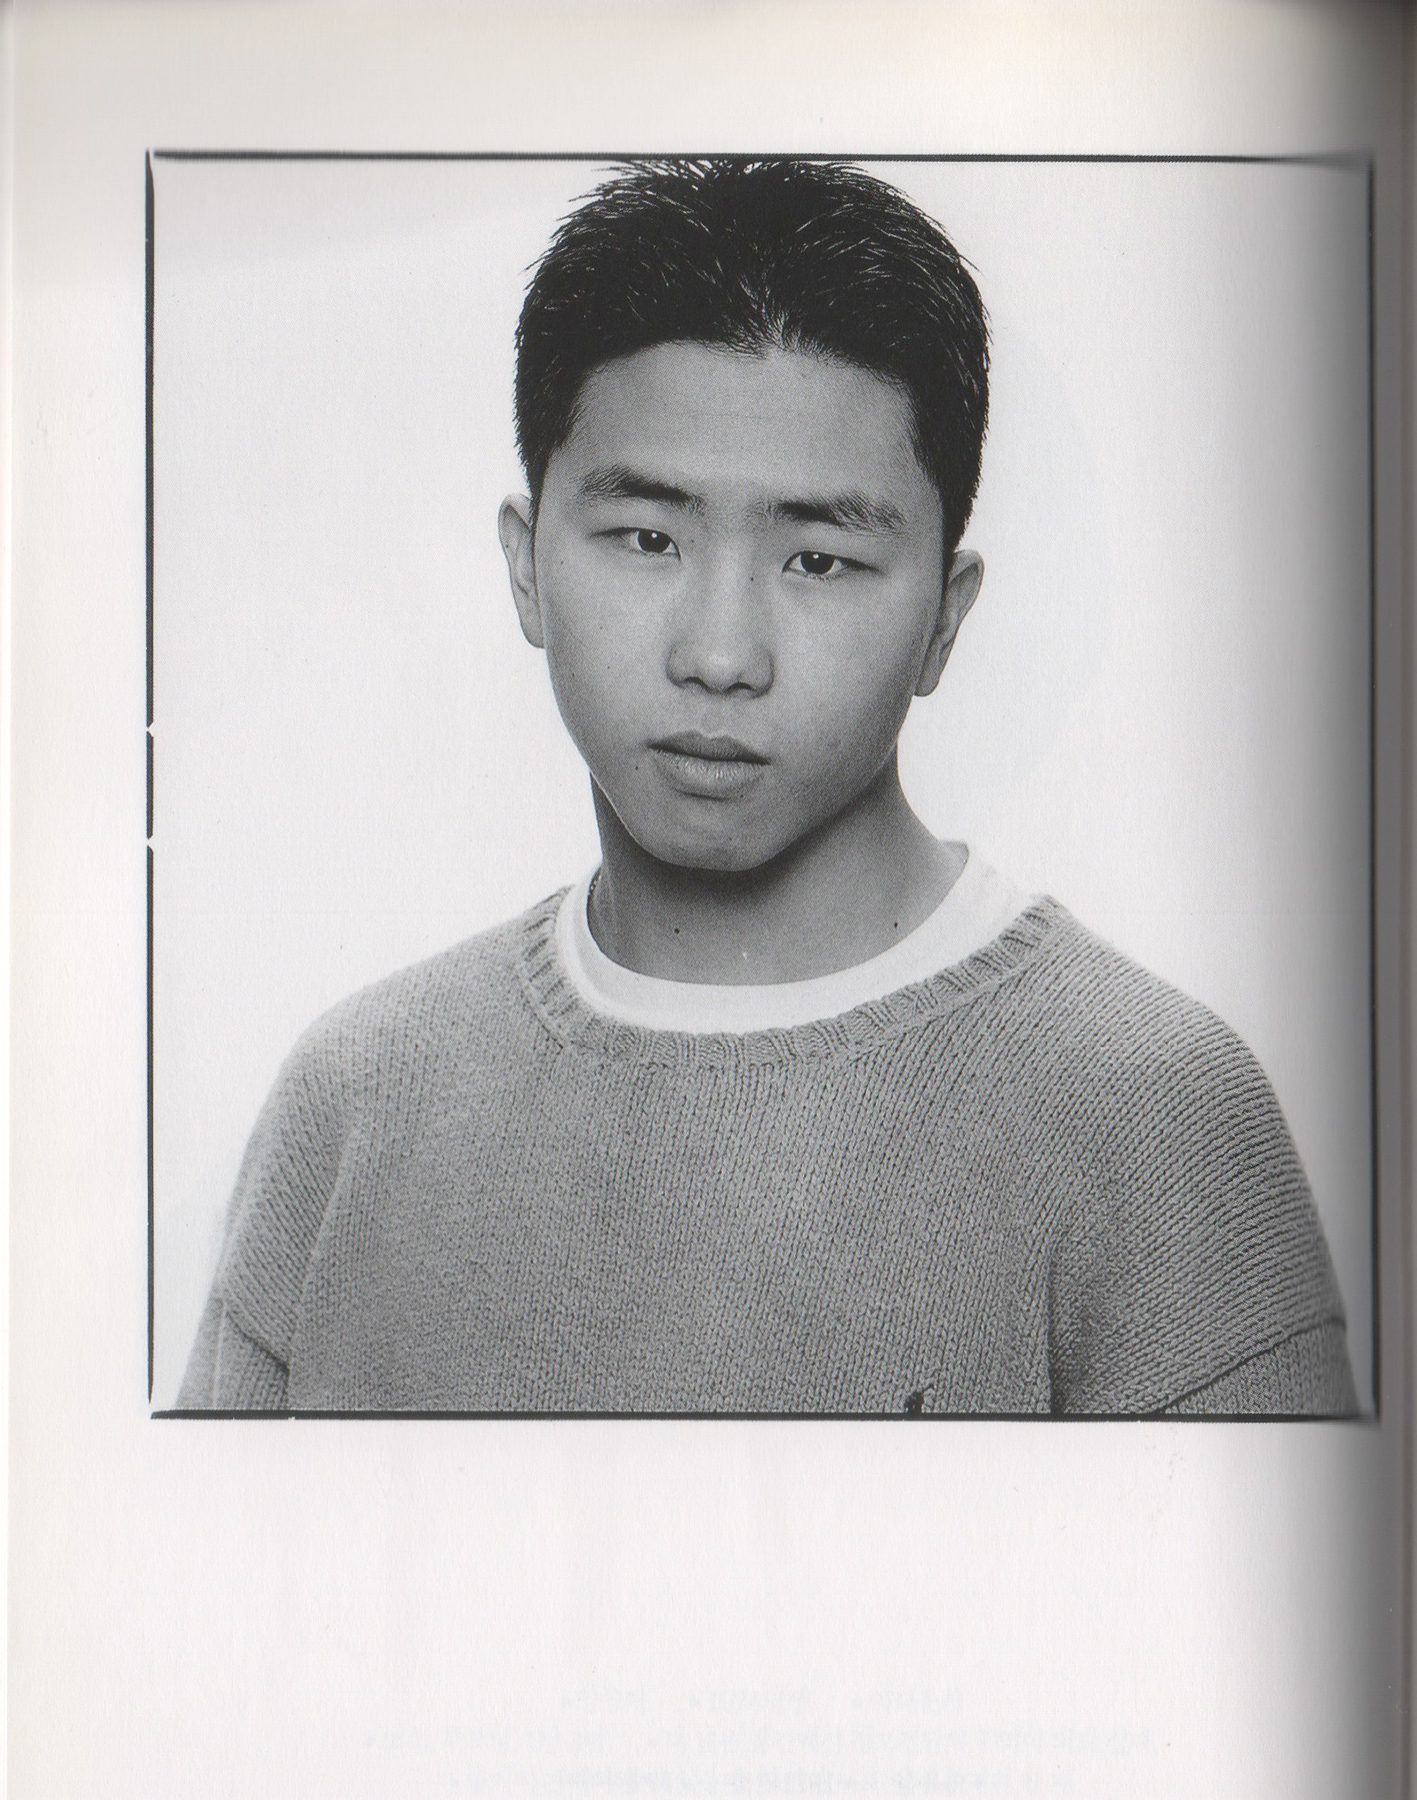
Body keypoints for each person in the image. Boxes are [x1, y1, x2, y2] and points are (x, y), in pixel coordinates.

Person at [178, 157, 1356, 1416]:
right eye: (647, 538)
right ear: (526, 568)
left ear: (944, 619)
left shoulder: (1153, 1113)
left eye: (819, 559)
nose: (720, 653)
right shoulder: (356, 1101)